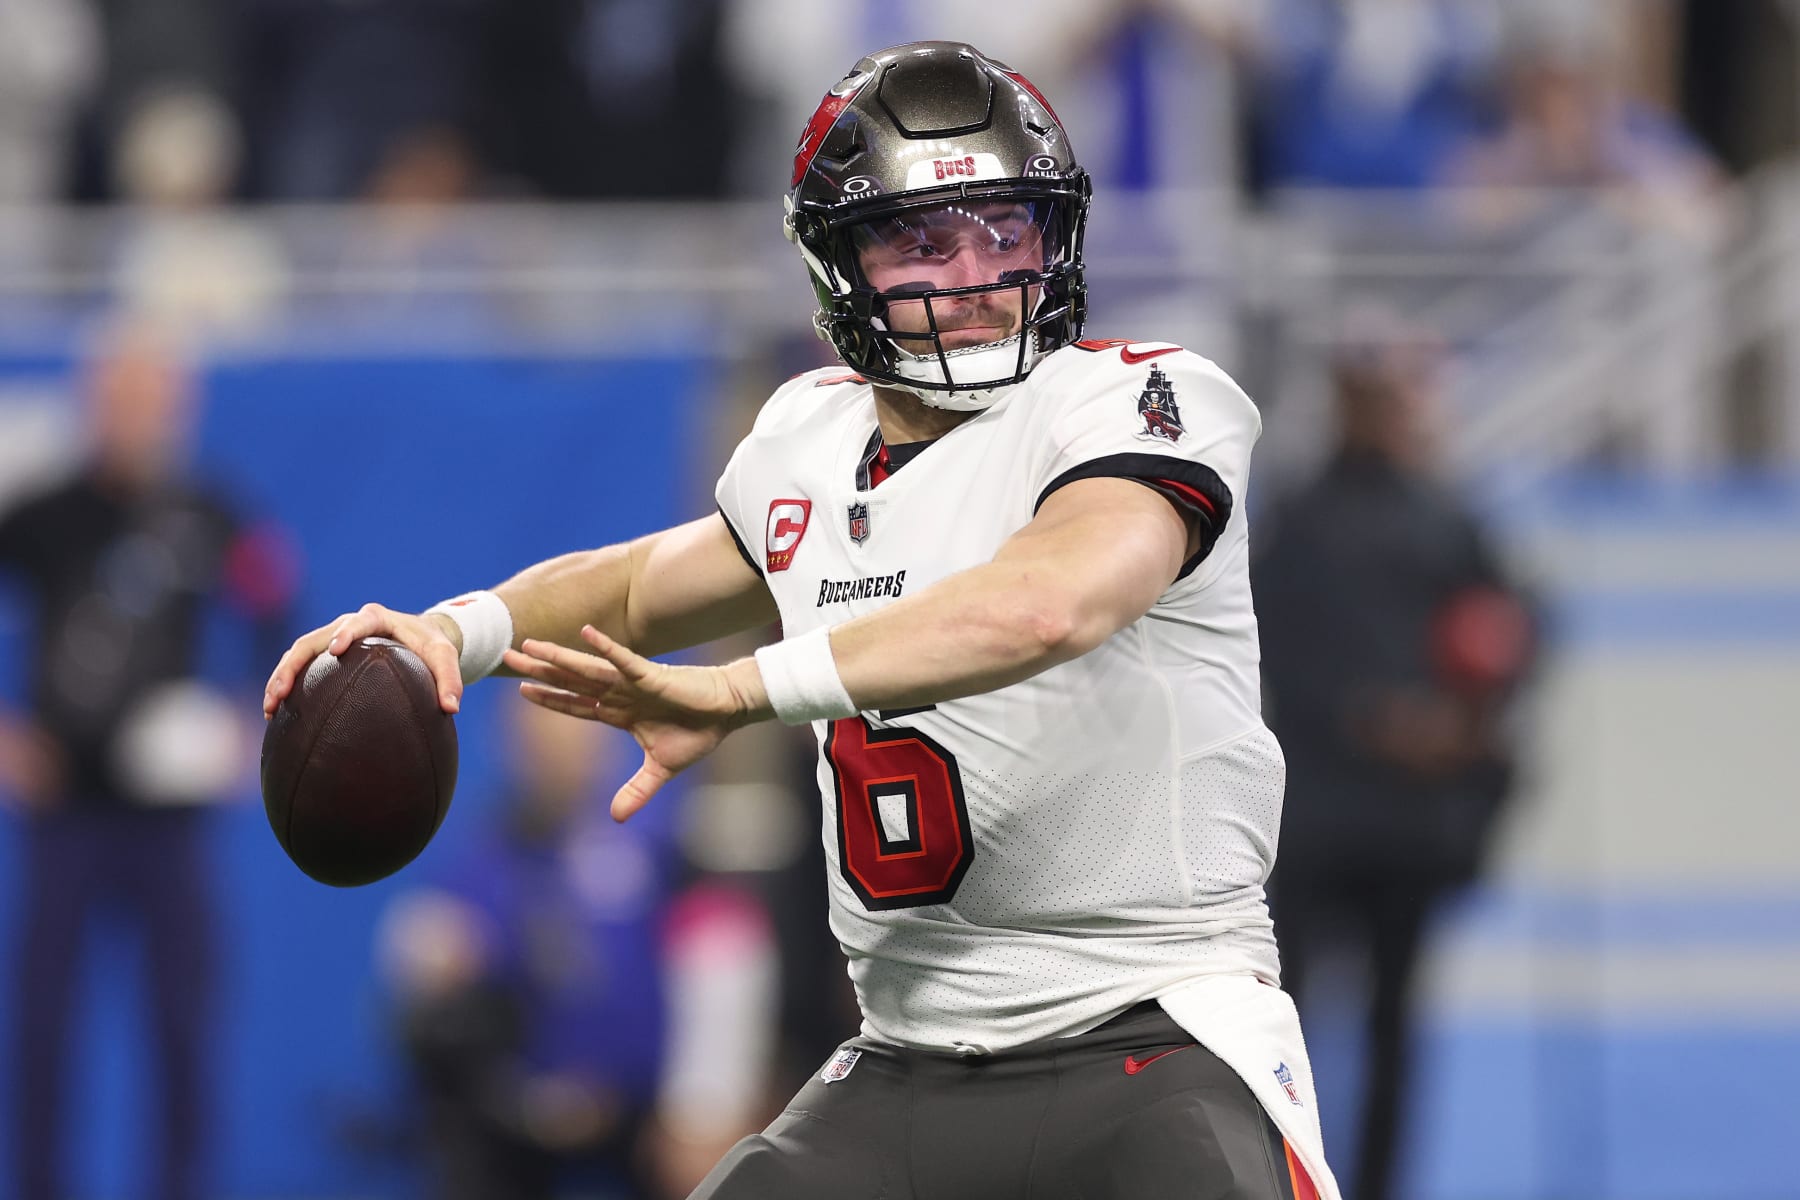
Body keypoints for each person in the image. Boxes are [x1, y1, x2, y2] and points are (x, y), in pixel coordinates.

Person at [267, 42, 1339, 1199]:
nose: (978, 273)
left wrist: (744, 690)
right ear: (840, 267)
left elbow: (1048, 603)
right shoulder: (811, 445)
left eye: (1006, 229)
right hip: (909, 1061)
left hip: (1157, 1036)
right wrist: (451, 632)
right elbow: (637, 584)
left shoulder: (1138, 400)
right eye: (925, 241)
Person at [0, 319, 296, 1200]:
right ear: (93, 401)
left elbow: (278, 605)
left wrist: (250, 723)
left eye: (150, 397)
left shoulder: (209, 515)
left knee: (182, 1026)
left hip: (170, 824)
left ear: (179, 406)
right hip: (67, 816)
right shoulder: (43, 516)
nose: (133, 414)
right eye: (118, 396)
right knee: (44, 1028)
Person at [1254, 333, 1535, 1200]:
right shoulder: (1298, 518)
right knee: (1284, 1029)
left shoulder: (1447, 519)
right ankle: (1285, 1185)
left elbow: (1514, 632)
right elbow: (1264, 647)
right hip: (1315, 824)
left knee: (1395, 1027)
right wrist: (1372, 718)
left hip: (1409, 827)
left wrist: (1461, 719)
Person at [375, 697, 777, 1200]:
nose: (557, 751)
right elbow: (425, 956)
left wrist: (704, 1105)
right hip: (520, 1115)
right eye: (539, 738)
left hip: (644, 1112)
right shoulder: (484, 855)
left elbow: (725, 954)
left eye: (571, 733)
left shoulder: (665, 842)